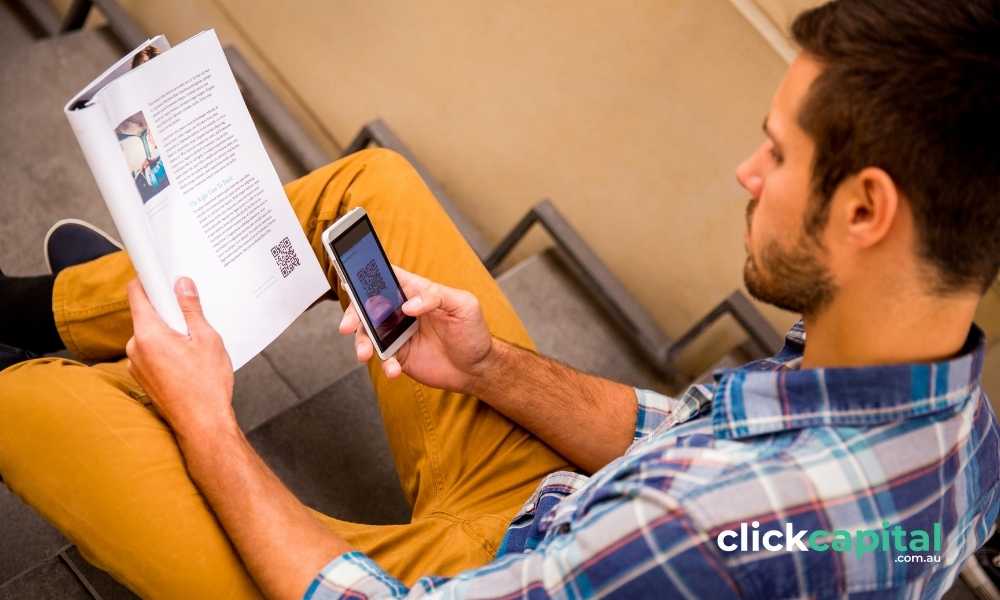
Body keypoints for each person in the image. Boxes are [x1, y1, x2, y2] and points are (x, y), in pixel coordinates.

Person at [1, 0, 998, 597]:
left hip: (475, 583)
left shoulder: (709, 533)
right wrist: (488, 366)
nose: (747, 171)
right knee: (373, 188)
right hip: (562, 528)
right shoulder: (955, 430)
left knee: (36, 409)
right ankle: (68, 318)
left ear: (866, 207)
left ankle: (91, 369)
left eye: (779, 153)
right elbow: (679, 435)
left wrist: (210, 425)